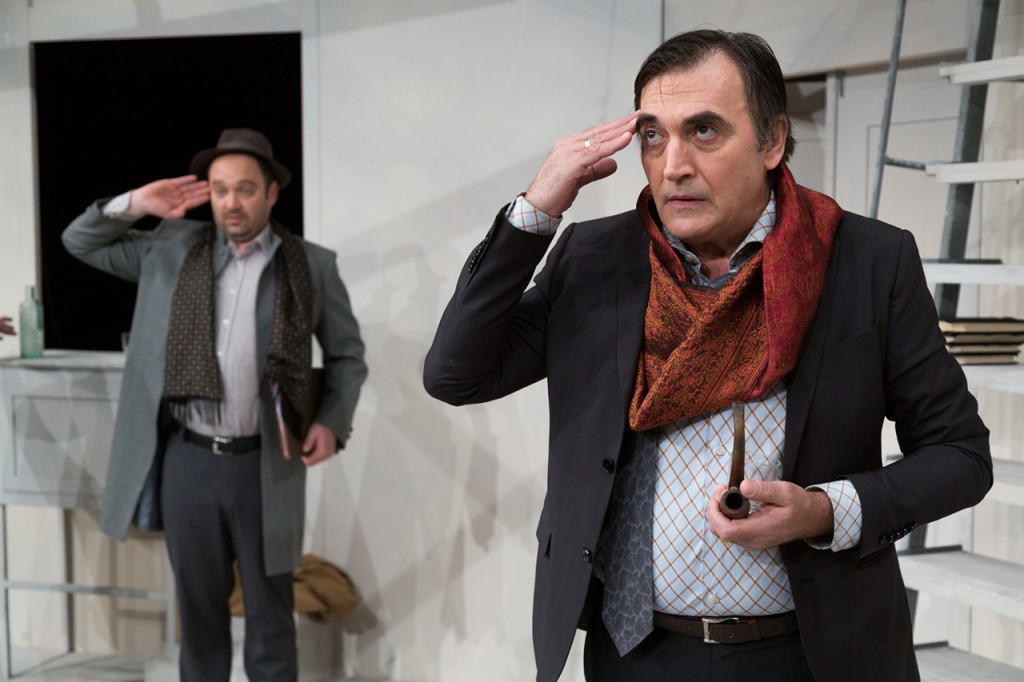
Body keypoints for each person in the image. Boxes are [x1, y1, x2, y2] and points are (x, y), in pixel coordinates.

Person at [423, 30, 991, 682]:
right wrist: (537, 209)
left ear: (772, 141)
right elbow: (456, 374)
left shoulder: (864, 261)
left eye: (704, 131)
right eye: (653, 135)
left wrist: (825, 510)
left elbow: (960, 456)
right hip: (631, 653)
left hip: (811, 655)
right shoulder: (594, 260)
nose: (674, 165)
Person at [63, 128, 367, 682]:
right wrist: (136, 203)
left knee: (271, 616)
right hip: (190, 459)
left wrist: (331, 421)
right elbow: (79, 242)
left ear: (271, 193)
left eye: (245, 189)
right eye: (220, 189)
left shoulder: (311, 266)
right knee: (199, 614)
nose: (232, 202)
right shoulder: (170, 248)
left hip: (267, 463)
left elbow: (348, 355)